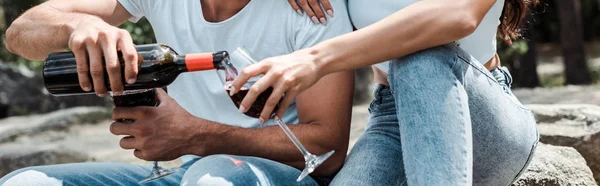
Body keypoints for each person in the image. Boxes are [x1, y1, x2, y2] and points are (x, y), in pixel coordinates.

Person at [0, 0, 354, 185]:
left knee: (212, 178)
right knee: (26, 181)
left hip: (281, 177)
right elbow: (19, 34)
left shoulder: (311, 7)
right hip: (189, 174)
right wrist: (81, 24)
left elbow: (329, 148)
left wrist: (196, 136)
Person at [231, 0, 540, 185]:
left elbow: (459, 14)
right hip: (394, 117)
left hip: (481, 116)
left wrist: (315, 59)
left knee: (420, 57)